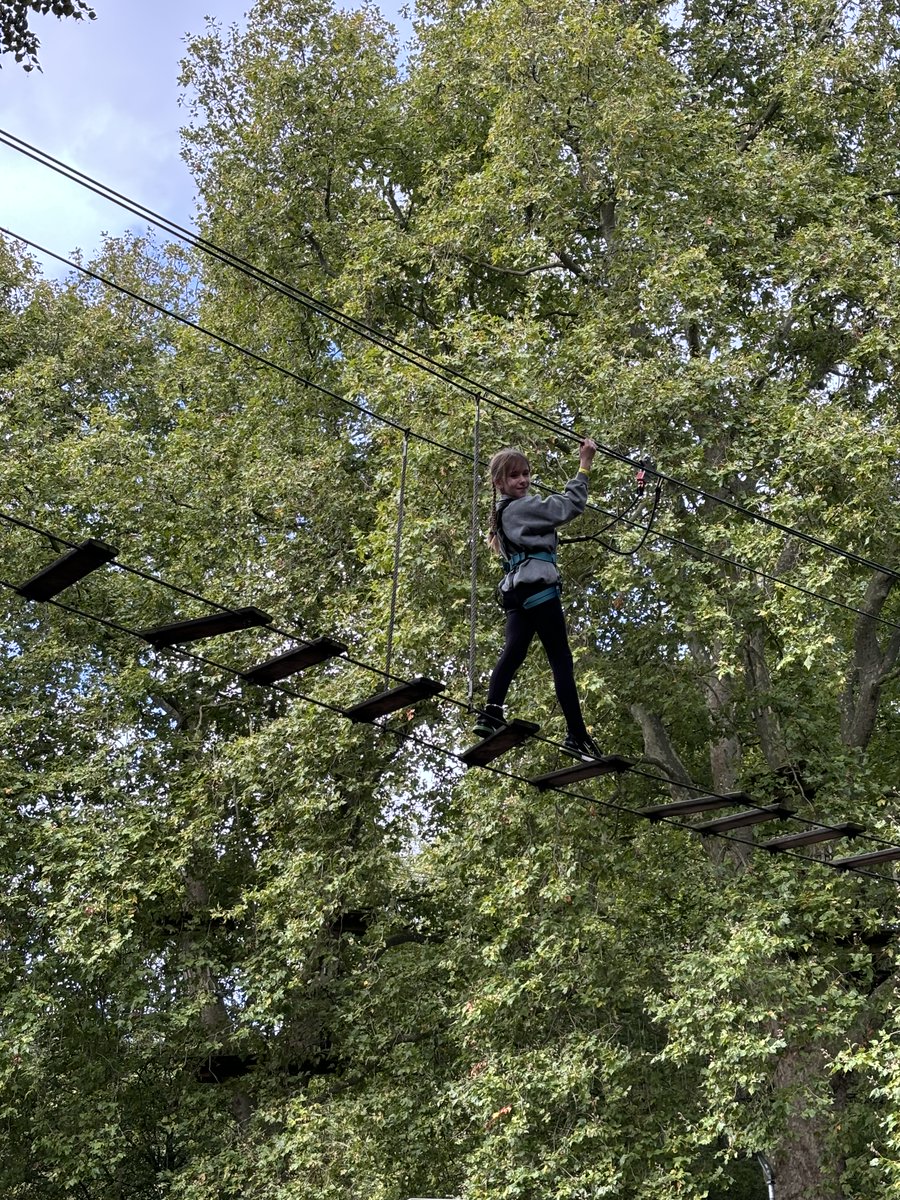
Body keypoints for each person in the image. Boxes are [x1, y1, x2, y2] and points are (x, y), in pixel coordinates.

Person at [473, 439, 603, 762]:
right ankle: (577, 735)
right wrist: (584, 465)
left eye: (526, 474)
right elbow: (568, 505)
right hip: (538, 590)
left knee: (514, 652)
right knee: (561, 658)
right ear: (499, 483)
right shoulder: (522, 507)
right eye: (515, 476)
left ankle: (491, 712)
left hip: (517, 595)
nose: (523, 481)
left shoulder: (503, 514)